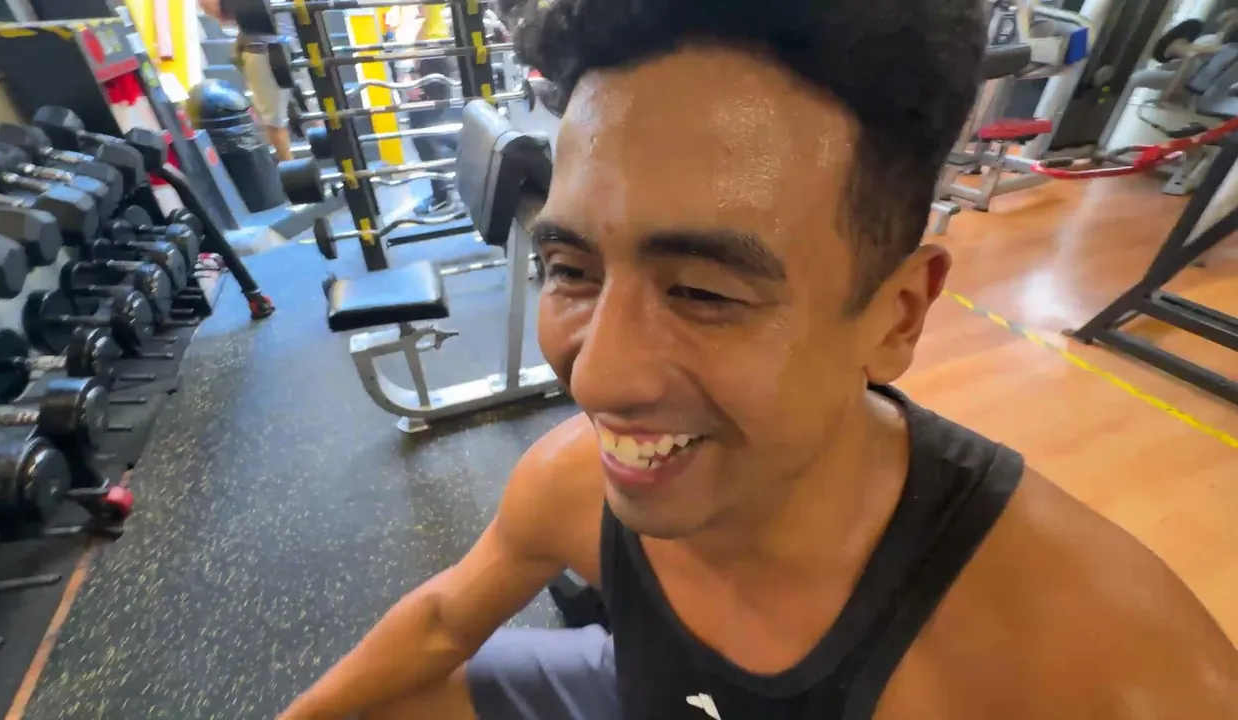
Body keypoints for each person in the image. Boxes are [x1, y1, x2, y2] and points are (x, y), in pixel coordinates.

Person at [280, 1, 1238, 718]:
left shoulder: (1109, 669)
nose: (597, 381)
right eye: (571, 268)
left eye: (704, 292)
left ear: (898, 315)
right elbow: (442, 623)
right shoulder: (571, 485)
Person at [198, 0, 295, 161]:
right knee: (276, 120)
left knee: (280, 119)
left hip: (284, 48)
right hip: (270, 49)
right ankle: (293, 170)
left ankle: (295, 167)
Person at [407, 6, 462, 215]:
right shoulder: (430, 25)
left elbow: (435, 68)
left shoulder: (434, 30)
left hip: (432, 75)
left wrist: (418, 84)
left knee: (425, 135)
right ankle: (443, 193)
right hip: (430, 74)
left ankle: (442, 197)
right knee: (428, 133)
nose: (418, 6)